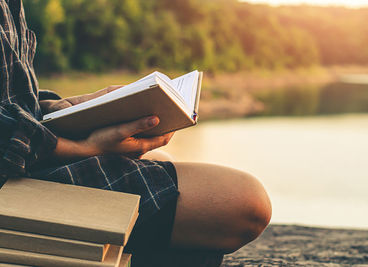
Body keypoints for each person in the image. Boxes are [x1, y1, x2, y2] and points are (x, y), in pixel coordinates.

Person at [0, 0, 272, 266]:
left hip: (23, 151)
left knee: (167, 163)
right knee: (245, 203)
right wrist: (83, 148)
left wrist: (61, 107)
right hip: (10, 175)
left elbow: (12, 92)